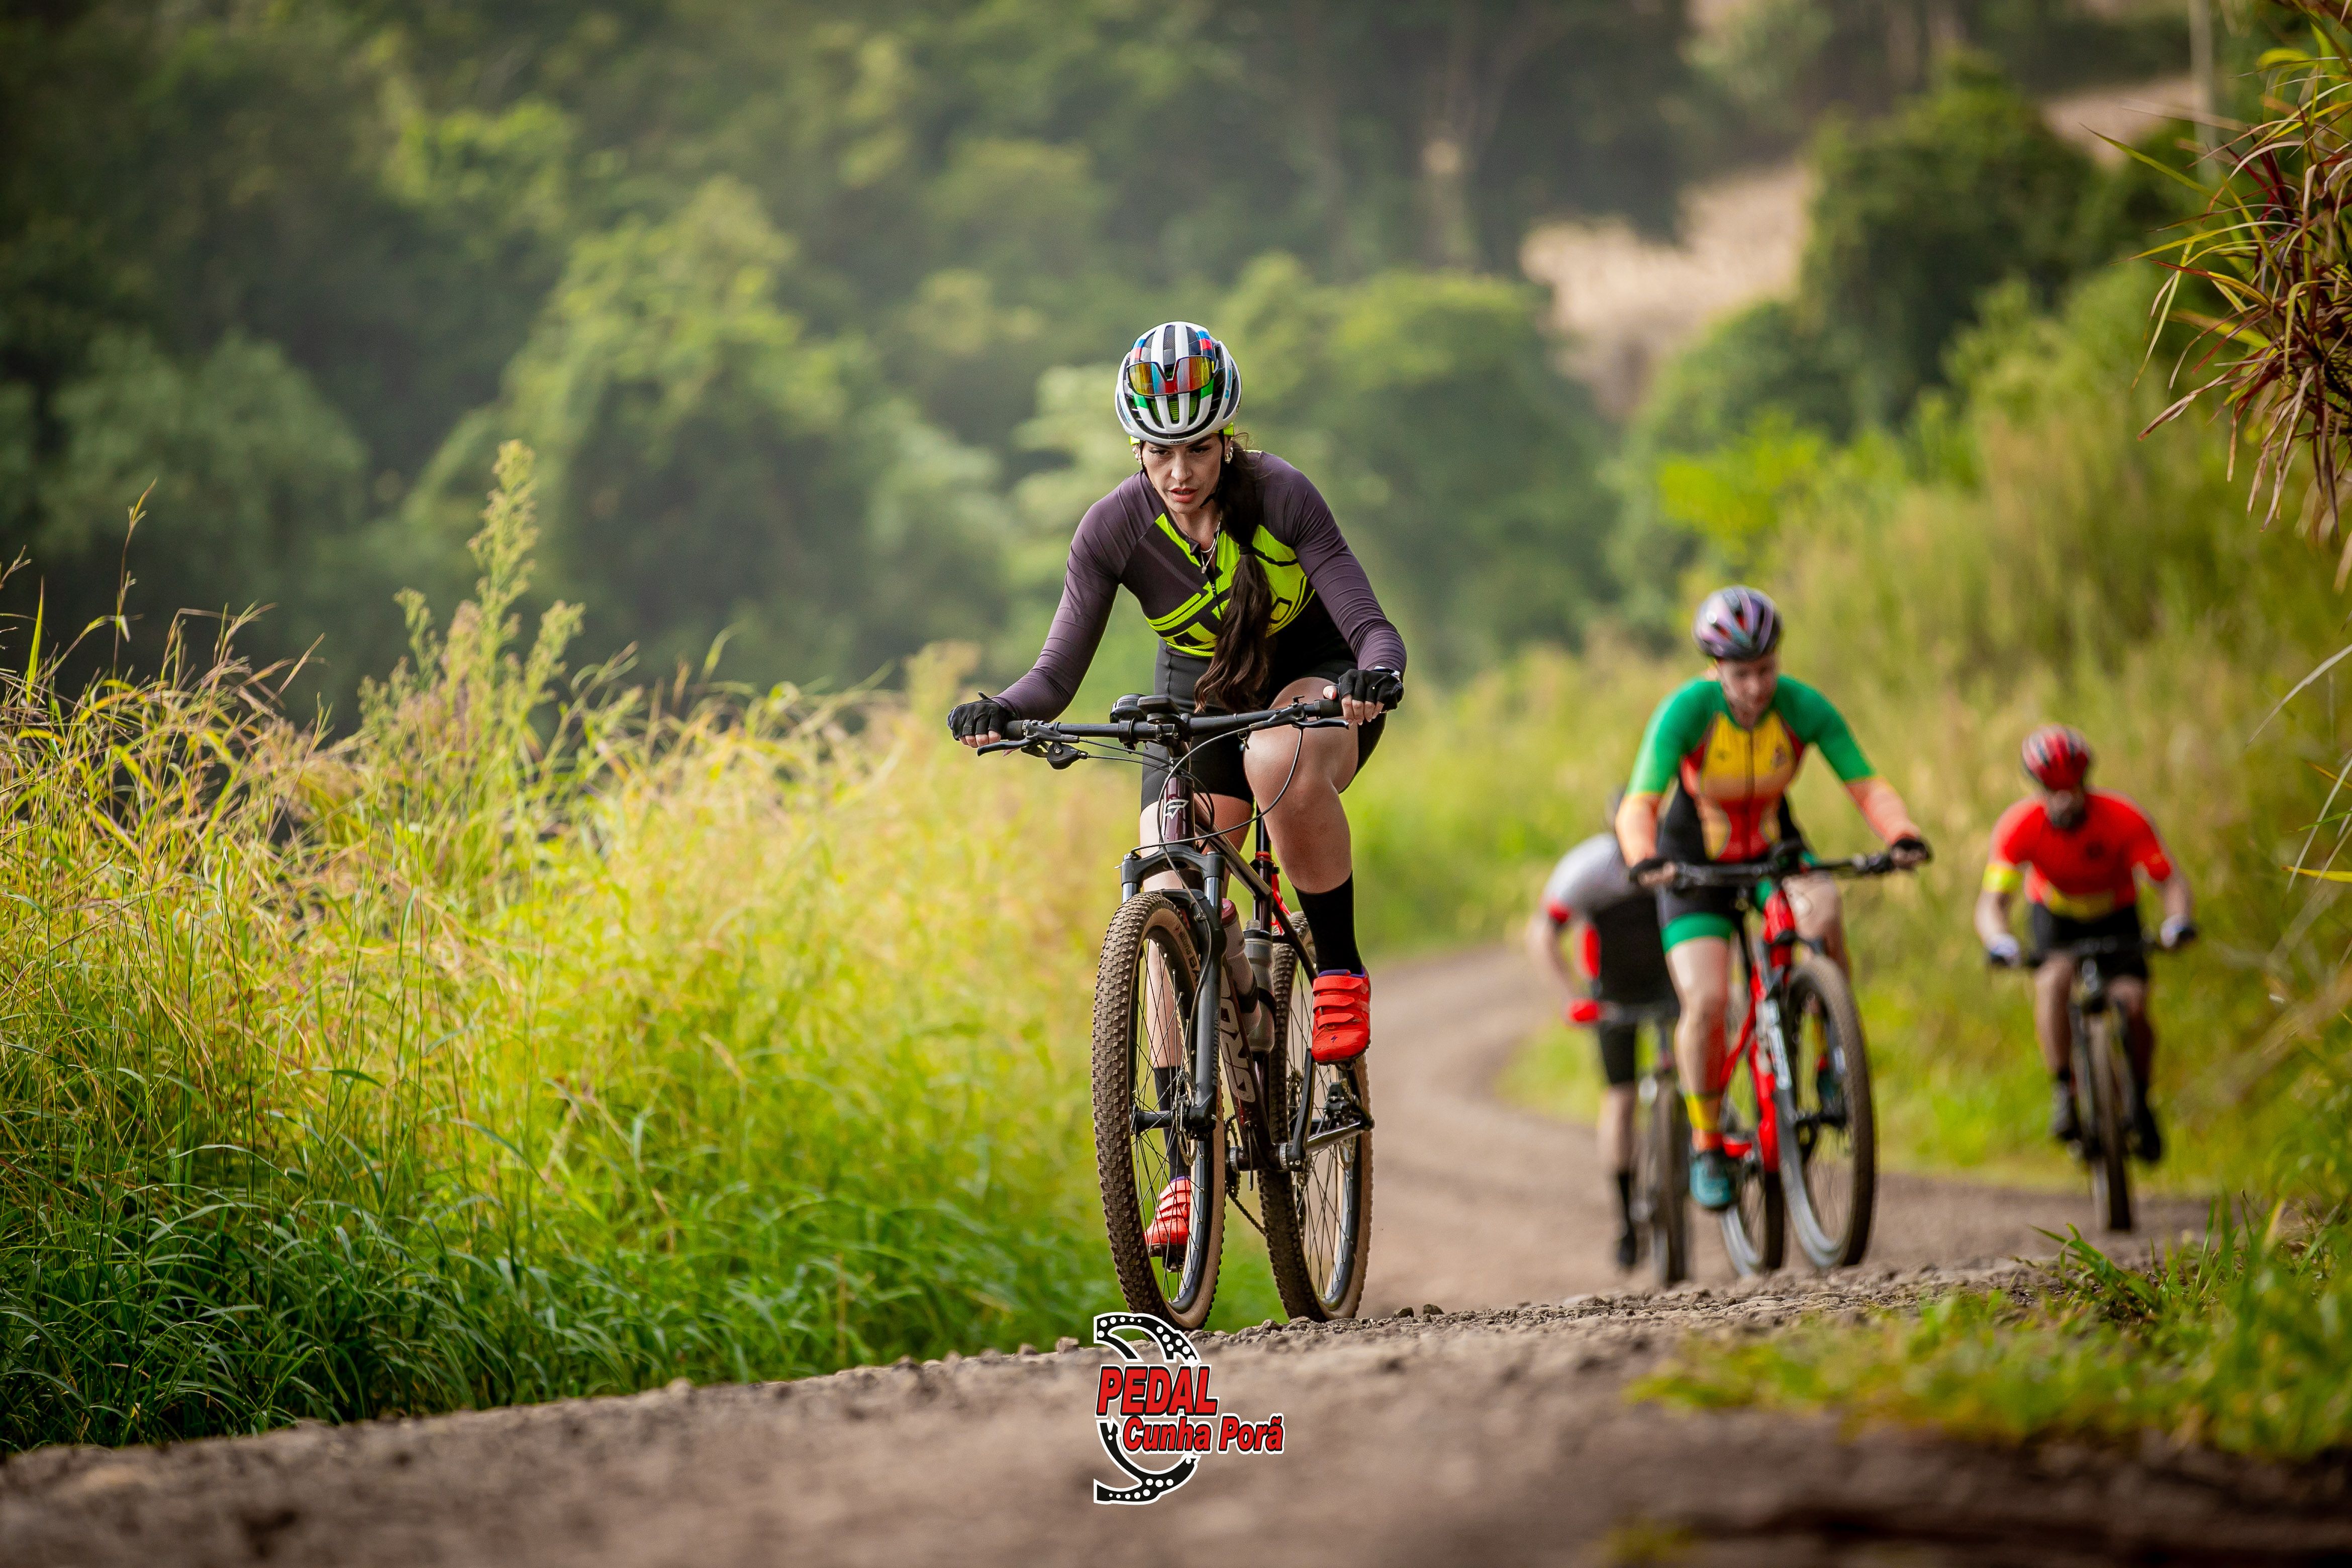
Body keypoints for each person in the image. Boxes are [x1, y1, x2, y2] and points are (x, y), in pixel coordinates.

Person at [947, 321, 1406, 1252]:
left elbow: (1370, 626)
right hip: (1202, 699)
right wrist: (1002, 709)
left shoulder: (1281, 494)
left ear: (1226, 439)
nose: (1179, 471)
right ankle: (1189, 1165)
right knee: (1163, 872)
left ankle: (1340, 968)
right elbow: (1055, 674)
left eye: (1196, 448)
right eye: (1159, 451)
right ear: (1137, 449)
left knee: (1276, 758)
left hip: (1315, 681)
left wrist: (1375, 677)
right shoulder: (1114, 528)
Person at [1615, 586, 1930, 1213]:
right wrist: (1645, 859)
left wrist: (1900, 834)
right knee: (1707, 1001)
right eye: (1742, 675)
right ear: (1716, 669)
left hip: (1774, 853)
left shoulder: (1802, 706)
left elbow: (1866, 785)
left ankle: (1832, 1051)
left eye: (1766, 670)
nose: (1757, 687)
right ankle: (1708, 1143)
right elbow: (1640, 802)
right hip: (1693, 867)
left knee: (1825, 909)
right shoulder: (1687, 711)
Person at [1974, 724, 2194, 1161]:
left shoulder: (2122, 817)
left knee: (2132, 1003)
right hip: (2056, 918)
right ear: (2038, 788)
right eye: (2052, 790)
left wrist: (2178, 922)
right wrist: (1999, 940)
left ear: (2085, 782)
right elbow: (1992, 901)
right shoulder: (2020, 826)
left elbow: (2169, 881)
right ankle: (2064, 1089)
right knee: (2053, 982)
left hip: (2117, 915)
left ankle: (2140, 1098)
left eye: (2071, 788)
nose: (2064, 799)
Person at [1527, 796, 1678, 1269]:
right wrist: (1570, 997)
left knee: (1690, 1070)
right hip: (1612, 993)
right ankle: (1626, 1218)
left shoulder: (1676, 855)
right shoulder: (1589, 868)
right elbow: (1543, 933)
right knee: (1622, 1098)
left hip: (1671, 984)